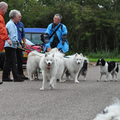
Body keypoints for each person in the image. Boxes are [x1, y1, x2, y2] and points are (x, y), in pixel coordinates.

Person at [2, 9, 24, 82]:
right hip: (10, 45)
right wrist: (18, 44)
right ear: (14, 16)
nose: (19, 18)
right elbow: (12, 37)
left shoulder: (11, 24)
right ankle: (15, 77)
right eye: (18, 16)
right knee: (11, 61)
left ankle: (7, 76)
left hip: (11, 45)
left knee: (10, 61)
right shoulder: (11, 25)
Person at [0, 1, 12, 84]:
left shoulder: (1, 17)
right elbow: (2, 30)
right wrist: (7, 38)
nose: (6, 11)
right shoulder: (0, 17)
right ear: (3, 8)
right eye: (6, 9)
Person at [14, 11, 28, 80]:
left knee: (20, 59)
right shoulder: (12, 24)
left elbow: (23, 34)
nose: (20, 18)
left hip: (19, 43)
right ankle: (15, 75)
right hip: (13, 44)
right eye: (19, 17)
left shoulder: (20, 24)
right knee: (14, 60)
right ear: (15, 16)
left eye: (20, 17)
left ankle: (21, 74)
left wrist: (24, 42)